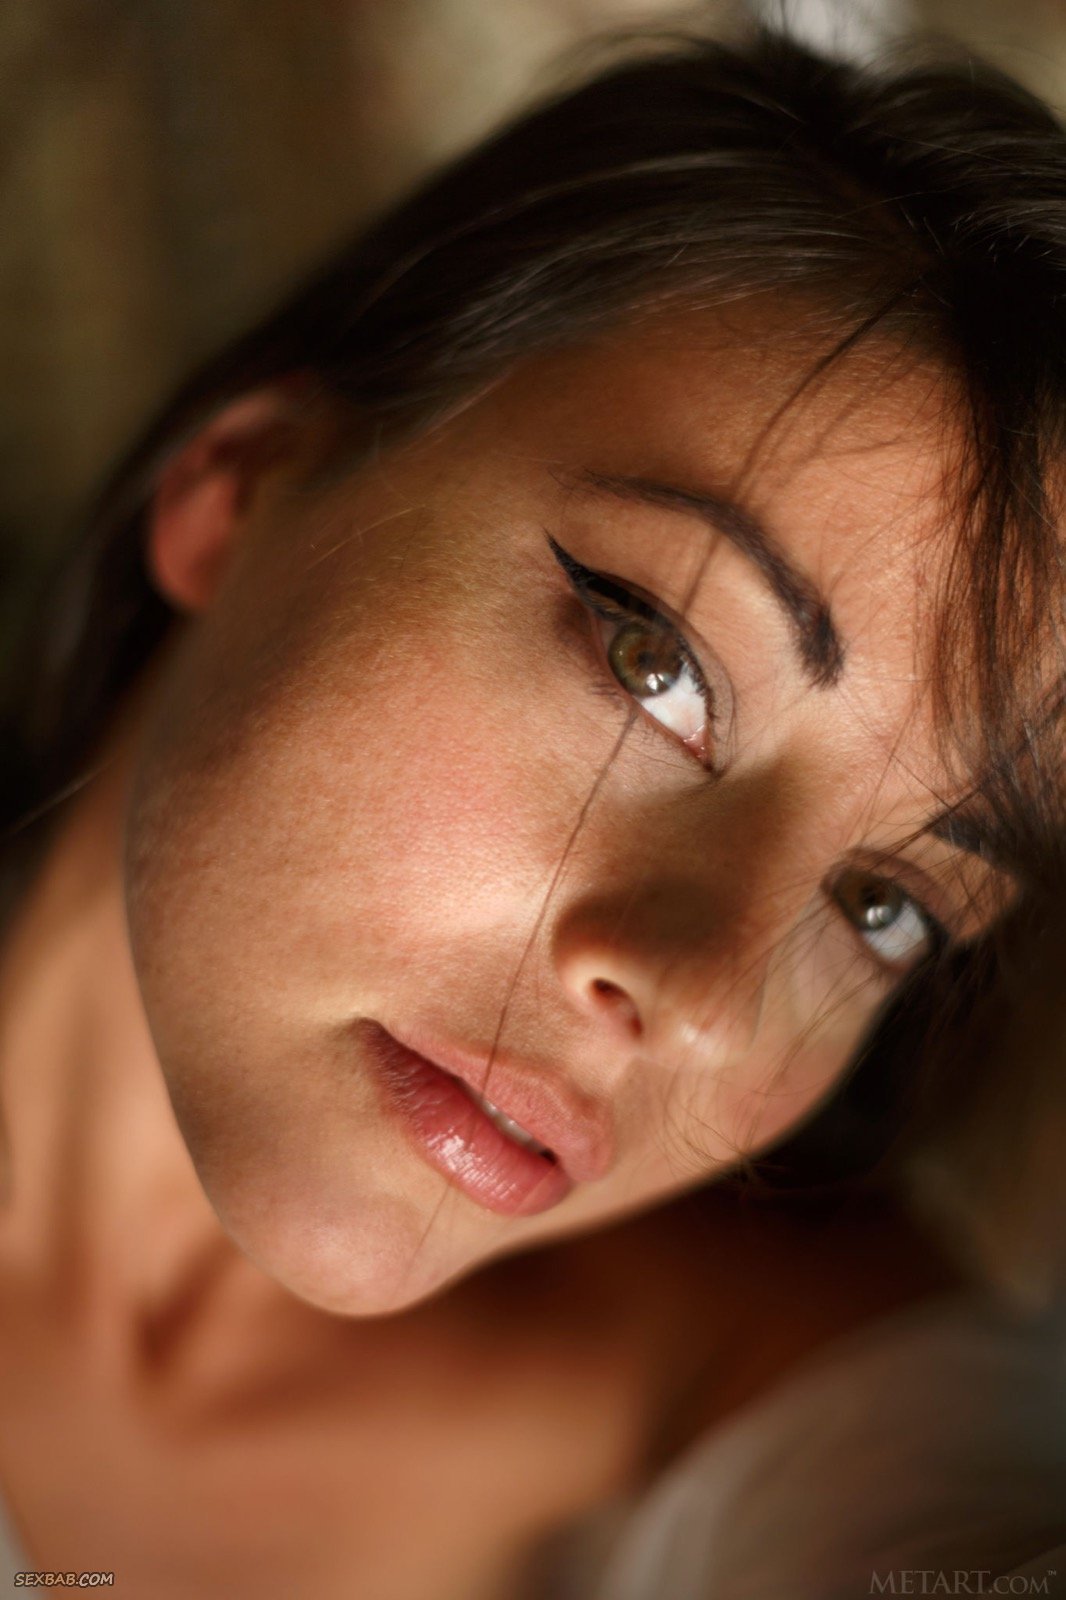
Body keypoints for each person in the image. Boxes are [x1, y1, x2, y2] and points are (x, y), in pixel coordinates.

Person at [1, 24, 1065, 1599]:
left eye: (882, 906)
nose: (700, 1001)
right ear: (245, 484)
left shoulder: (810, 1396)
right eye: (657, 666)